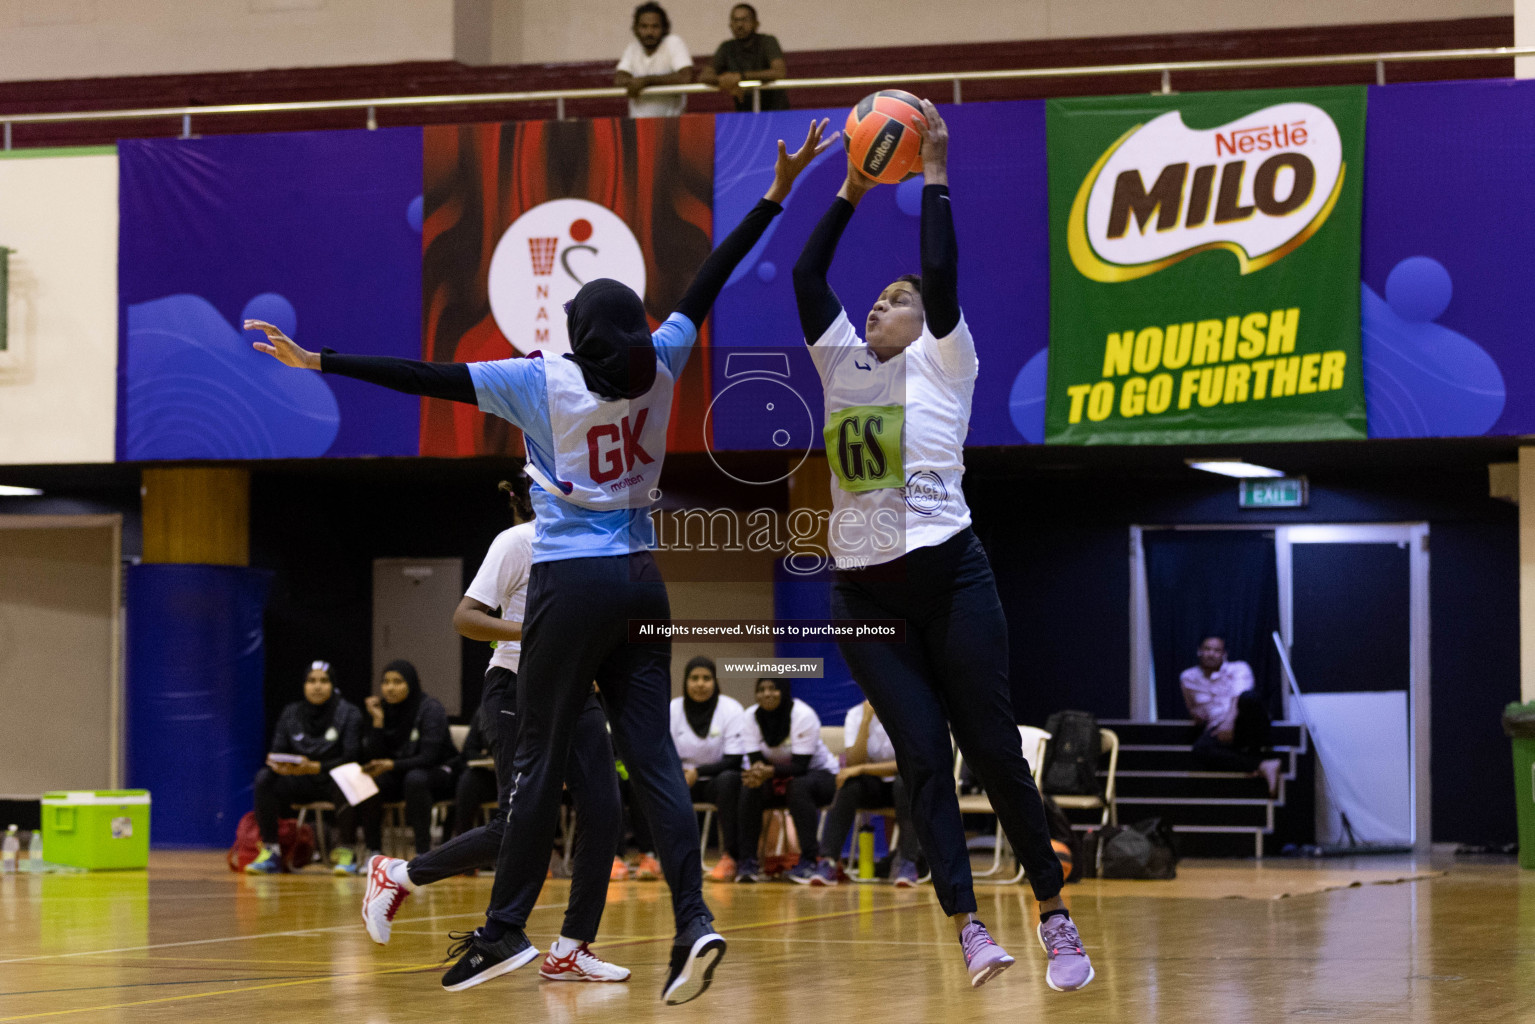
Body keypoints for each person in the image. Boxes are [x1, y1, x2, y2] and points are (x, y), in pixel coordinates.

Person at [247, 118, 835, 1004]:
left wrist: (319, 358)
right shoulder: (665, 357)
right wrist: (776, 191)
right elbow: (710, 274)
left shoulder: (538, 379)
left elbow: (422, 375)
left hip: (571, 579)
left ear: (577, 327)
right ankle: (693, 920)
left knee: (538, 760)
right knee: (653, 765)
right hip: (645, 581)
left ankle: (503, 930)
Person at [789, 99, 1094, 991]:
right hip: (866, 596)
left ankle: (1053, 912)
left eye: (899, 299)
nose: (884, 302)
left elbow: (940, 268)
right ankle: (967, 927)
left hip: (953, 575)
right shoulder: (841, 363)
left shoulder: (945, 359)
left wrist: (933, 173)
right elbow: (809, 274)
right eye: (878, 298)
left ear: (924, 323)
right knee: (922, 754)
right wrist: (847, 187)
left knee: (991, 749)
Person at [359, 476, 629, 984]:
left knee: (605, 812)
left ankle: (571, 948)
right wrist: (535, 633)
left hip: (579, 694)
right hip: (517, 687)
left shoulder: (592, 550)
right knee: (517, 822)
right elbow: (466, 618)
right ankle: (396, 875)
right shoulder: (518, 542)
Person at [246, 660, 364, 874]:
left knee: (349, 776)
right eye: (311, 681)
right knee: (265, 778)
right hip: (301, 780)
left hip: (332, 780)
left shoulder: (349, 713)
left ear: (333, 684)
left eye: (323, 681)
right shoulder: (291, 713)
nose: (317, 686)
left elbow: (351, 757)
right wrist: (280, 764)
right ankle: (271, 851)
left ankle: (347, 852)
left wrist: (315, 767)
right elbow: (278, 749)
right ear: (304, 685)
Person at [731, 678, 838, 884]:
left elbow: (800, 767)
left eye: (773, 688)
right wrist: (755, 774)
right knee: (750, 786)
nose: (767, 694)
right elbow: (756, 762)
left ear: (784, 690)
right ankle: (748, 862)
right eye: (761, 689)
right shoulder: (750, 717)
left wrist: (766, 771)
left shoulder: (802, 715)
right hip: (775, 778)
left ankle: (809, 860)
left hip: (818, 776)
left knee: (798, 786)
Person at [812, 699, 922, 887]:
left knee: (903, 784)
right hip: (877, 788)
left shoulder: (909, 712)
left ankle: (907, 863)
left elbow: (906, 764)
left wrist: (863, 769)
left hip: (907, 784)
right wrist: (865, 721)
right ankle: (828, 861)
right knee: (850, 785)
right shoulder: (856, 714)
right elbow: (854, 762)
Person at [353, 660, 455, 862]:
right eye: (386, 682)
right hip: (401, 775)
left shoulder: (430, 709)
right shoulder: (381, 710)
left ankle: (422, 853)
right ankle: (373, 853)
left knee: (415, 779)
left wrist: (391, 765)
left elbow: (429, 757)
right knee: (369, 782)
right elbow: (374, 756)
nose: (390, 687)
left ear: (411, 683)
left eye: (397, 681)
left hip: (438, 774)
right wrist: (378, 721)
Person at [668, 655, 746, 881]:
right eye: (694, 678)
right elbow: (663, 751)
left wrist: (698, 773)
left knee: (730, 779)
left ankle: (729, 857)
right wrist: (680, 773)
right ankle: (657, 856)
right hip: (681, 779)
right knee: (646, 782)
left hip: (715, 780)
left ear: (715, 681)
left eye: (706, 678)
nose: (700, 684)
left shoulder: (731, 709)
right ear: (685, 681)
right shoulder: (673, 708)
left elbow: (734, 759)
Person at [1180, 636, 1281, 795]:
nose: (1211, 654)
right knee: (1200, 749)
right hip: (1218, 729)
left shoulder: (1239, 668)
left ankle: (1257, 754)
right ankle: (1262, 764)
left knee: (1249, 699)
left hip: (1245, 724)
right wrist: (1198, 716)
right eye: (1207, 649)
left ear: (1224, 654)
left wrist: (1228, 722)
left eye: (1217, 650)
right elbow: (1193, 708)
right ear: (1199, 652)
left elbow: (1239, 696)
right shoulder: (1188, 677)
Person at [701, 4, 789, 112]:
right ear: (730, 25)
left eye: (745, 20)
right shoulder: (726, 47)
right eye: (735, 20)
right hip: (744, 113)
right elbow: (704, 76)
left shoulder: (768, 41)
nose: (740, 25)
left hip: (775, 112)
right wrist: (725, 81)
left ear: (756, 23)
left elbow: (779, 72)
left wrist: (740, 76)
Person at [614, 2, 694, 119]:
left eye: (655, 26)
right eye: (644, 26)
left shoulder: (673, 43)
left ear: (664, 28)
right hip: (639, 126)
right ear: (636, 29)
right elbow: (619, 78)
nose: (649, 32)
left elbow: (686, 77)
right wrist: (634, 83)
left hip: (671, 125)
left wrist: (646, 81)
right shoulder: (632, 48)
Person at [450, 704, 497, 839]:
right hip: (493, 776)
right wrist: (487, 758)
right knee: (468, 780)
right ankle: (462, 841)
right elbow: (469, 750)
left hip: (522, 775)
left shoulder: (531, 705)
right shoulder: (487, 708)